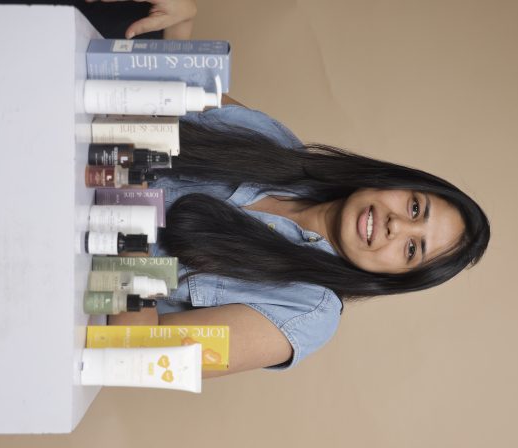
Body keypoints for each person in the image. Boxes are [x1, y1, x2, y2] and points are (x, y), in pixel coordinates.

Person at [85, 0, 490, 377]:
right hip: (64, 153)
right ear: (394, 182)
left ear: (395, 277)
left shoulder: (307, 313)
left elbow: (136, 357)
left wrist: (129, 210)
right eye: (415, 207)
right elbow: (172, 88)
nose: (396, 225)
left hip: (65, 271)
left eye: (412, 249)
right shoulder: (277, 144)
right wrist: (181, 21)